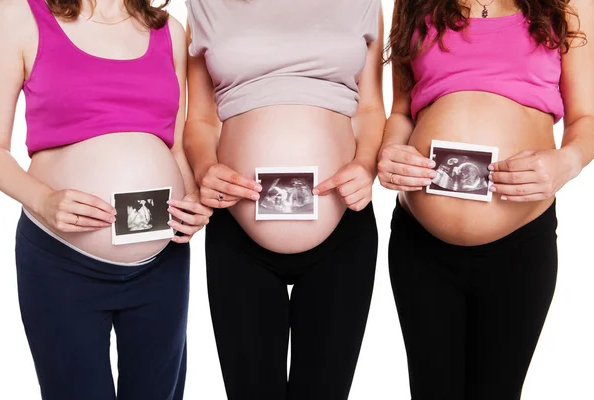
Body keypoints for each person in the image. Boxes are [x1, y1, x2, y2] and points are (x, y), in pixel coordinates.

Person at [0, 0, 212, 398]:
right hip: (61, 260)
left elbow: (176, 146)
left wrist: (193, 198)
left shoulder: (170, 31)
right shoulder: (18, 16)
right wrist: (43, 200)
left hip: (162, 263)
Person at [379, 0, 594, 398]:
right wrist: (391, 151)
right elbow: (402, 111)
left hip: (520, 245)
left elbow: (587, 117)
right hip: (421, 247)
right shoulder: (413, 3)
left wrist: (566, 163)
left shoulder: (568, 4)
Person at [183, 0, 385, 398]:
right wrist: (206, 168)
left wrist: (366, 165)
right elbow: (200, 120)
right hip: (237, 231)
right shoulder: (204, 5)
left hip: (344, 229)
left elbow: (371, 109)